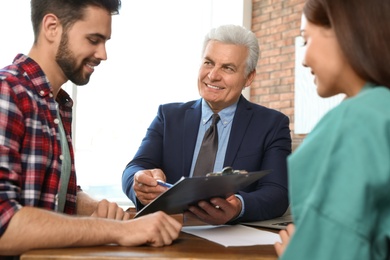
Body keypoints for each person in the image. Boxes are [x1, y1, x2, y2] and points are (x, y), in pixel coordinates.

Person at [0, 0, 181, 257]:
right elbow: (4, 224)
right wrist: (118, 231)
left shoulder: (56, 103)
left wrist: (97, 209)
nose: (103, 54)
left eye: (105, 41)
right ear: (52, 27)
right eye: (93, 40)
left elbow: (56, 194)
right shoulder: (7, 92)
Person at [122, 24, 292, 225]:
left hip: (231, 241)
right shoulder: (168, 117)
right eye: (208, 63)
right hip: (168, 233)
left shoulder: (272, 124)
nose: (212, 75)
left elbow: (278, 193)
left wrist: (238, 206)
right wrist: (140, 183)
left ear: (249, 78)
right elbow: (134, 168)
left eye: (227, 68)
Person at [274, 0, 390, 259]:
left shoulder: (355, 121)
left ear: (343, 29)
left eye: (306, 40)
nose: (303, 60)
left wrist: (300, 253)